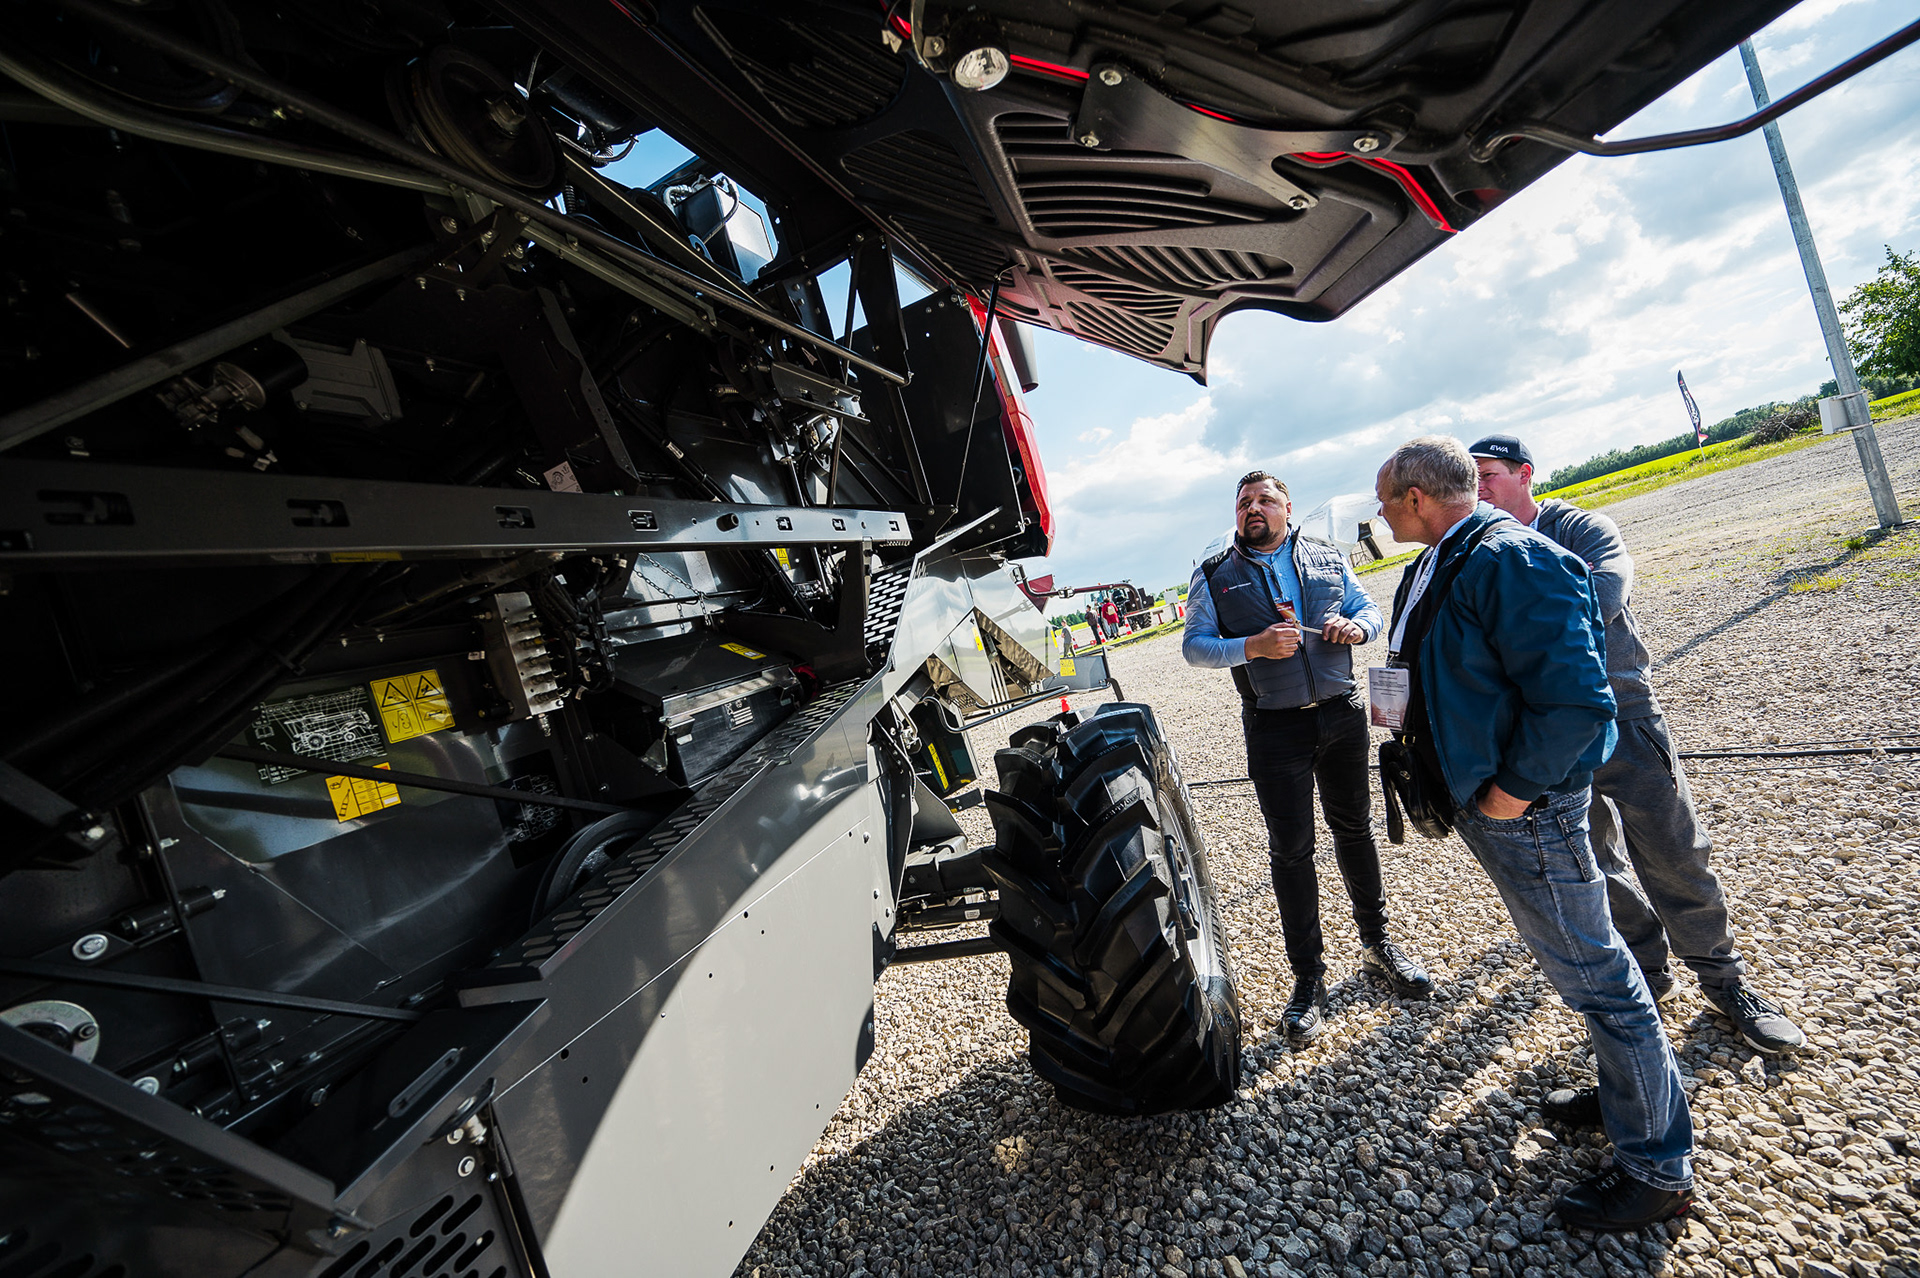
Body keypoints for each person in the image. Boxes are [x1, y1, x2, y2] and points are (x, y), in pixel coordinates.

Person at [1374, 435, 1693, 1231]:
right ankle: (1625, 1099)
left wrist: (1509, 798)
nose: (1379, 515)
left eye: (1384, 501)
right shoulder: (1439, 560)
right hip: (1499, 809)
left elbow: (1579, 703)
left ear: (1416, 497)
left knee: (1600, 980)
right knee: (1585, 970)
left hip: (1530, 811)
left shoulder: (1512, 558)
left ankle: (1657, 1168)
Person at [1469, 433, 1804, 1057]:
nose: (1479, 486)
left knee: (1673, 845)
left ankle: (1723, 978)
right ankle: (1646, 970)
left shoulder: (1580, 529)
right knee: (1591, 858)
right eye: (1472, 477)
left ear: (1525, 474)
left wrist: (1512, 634)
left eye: (1488, 473)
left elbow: (1605, 593)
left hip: (1622, 711)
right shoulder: (1482, 547)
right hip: (1543, 732)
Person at [1183, 469, 1433, 1044]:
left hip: (1342, 715)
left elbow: (1370, 612)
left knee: (1356, 830)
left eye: (1265, 499)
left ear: (1287, 508)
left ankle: (1378, 944)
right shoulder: (1214, 575)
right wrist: (1252, 646)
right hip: (1274, 727)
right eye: (1244, 502)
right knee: (1292, 851)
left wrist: (1356, 627)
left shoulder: (1326, 556)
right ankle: (1308, 979)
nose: (1253, 508)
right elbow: (1195, 647)